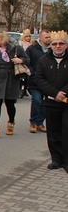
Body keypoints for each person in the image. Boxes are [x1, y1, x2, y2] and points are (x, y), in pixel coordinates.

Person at [34, 30, 68, 172]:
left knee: (66, 131)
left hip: (67, 102)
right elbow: (39, 79)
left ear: (66, 45)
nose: (58, 46)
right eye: (55, 44)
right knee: (53, 132)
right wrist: (55, 93)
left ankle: (66, 161)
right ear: (51, 46)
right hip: (51, 101)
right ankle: (56, 159)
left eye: (61, 44)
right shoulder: (44, 60)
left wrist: (63, 93)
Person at [0, 31, 28, 138]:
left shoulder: (16, 48)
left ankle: (11, 122)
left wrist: (20, 60)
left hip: (11, 79)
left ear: (3, 38)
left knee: (10, 103)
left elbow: (28, 59)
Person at [27, 29, 51, 133]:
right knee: (37, 100)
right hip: (35, 81)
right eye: (46, 37)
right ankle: (33, 122)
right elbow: (27, 62)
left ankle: (40, 122)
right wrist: (32, 73)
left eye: (49, 37)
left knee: (45, 103)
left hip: (48, 81)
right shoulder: (32, 49)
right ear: (40, 38)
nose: (48, 39)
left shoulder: (52, 50)